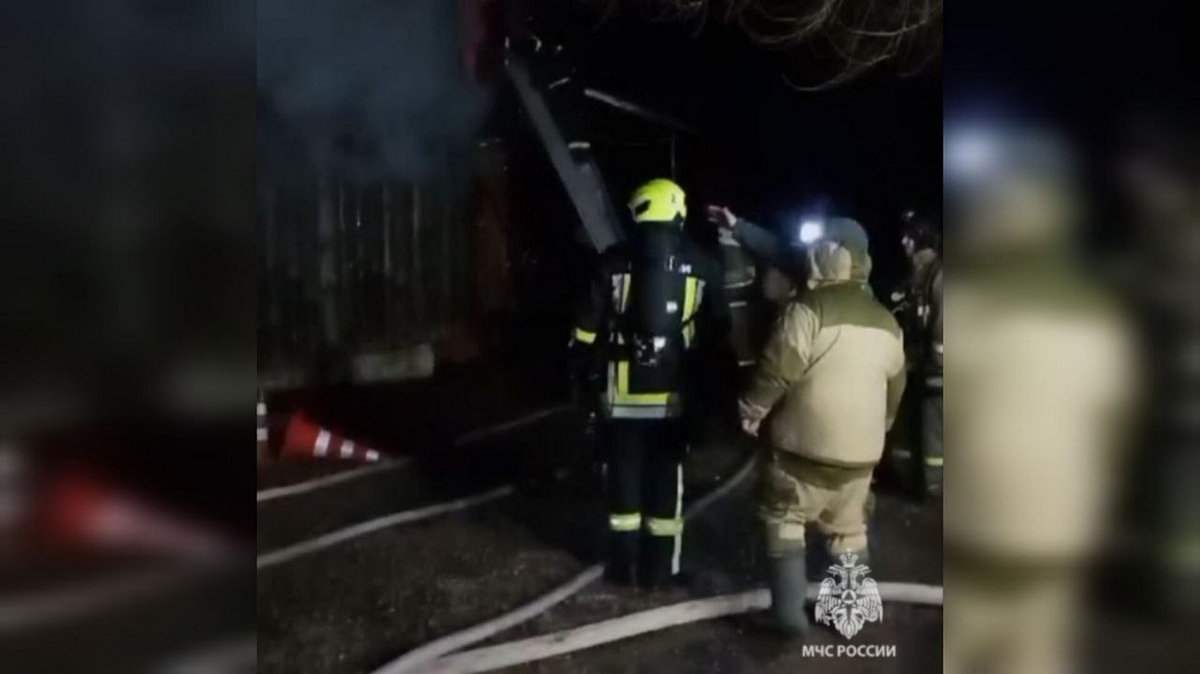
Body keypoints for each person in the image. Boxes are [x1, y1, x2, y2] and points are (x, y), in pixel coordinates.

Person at [737, 216, 906, 635]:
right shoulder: (886, 320)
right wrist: (880, 428)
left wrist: (752, 409)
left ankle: (788, 618)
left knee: (784, 518)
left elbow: (779, 368)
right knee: (848, 530)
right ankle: (848, 616)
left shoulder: (806, 309)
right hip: (861, 459)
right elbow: (895, 386)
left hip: (801, 453)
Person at [570, 178, 730, 588]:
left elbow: (585, 332)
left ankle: (622, 568)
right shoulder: (704, 264)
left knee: (622, 481)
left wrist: (584, 378)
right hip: (674, 400)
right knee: (665, 486)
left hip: (620, 398)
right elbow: (718, 334)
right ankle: (660, 571)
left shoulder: (612, 263)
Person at [892, 210, 944, 498]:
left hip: (936, 371)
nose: (903, 243)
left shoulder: (939, 274)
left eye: (907, 237)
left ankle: (935, 489)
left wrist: (937, 364)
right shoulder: (915, 274)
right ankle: (916, 481)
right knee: (914, 430)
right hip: (917, 367)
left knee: (934, 436)